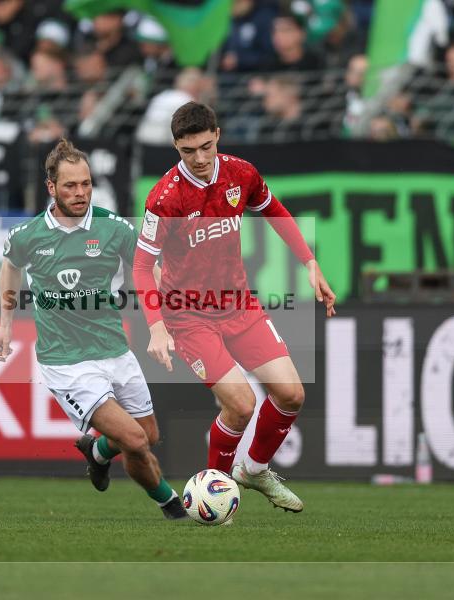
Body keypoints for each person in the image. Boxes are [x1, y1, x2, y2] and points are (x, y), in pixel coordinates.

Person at [132, 102, 336, 513]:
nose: (201, 159)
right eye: (189, 151)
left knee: (291, 394)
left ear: (218, 135)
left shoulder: (241, 173)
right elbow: (141, 265)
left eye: (206, 147)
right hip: (188, 316)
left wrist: (310, 262)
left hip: (239, 305)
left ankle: (254, 470)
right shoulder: (165, 198)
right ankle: (215, 496)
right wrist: (156, 326)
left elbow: (273, 211)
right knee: (242, 405)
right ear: (176, 147)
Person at [0, 139, 187, 521]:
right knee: (133, 440)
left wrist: (168, 316)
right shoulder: (28, 237)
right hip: (66, 363)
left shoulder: (114, 228)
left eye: (85, 184)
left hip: (115, 350)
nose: (80, 193)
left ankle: (97, 452)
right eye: (70, 186)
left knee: (149, 434)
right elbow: (10, 268)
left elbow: (148, 271)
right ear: (52, 188)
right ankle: (174, 507)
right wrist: (5, 325)